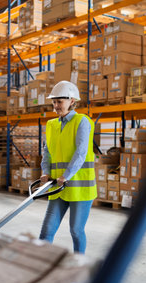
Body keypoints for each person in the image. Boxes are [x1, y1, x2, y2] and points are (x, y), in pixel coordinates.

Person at [39, 80, 97, 254]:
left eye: (60, 101)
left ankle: (79, 264)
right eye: (54, 101)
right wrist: (45, 172)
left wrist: (66, 175)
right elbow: (47, 153)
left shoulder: (82, 122)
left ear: (72, 101)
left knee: (76, 230)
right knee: (46, 231)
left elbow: (81, 153)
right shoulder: (51, 125)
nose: (56, 105)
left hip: (80, 188)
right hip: (57, 186)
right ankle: (40, 265)